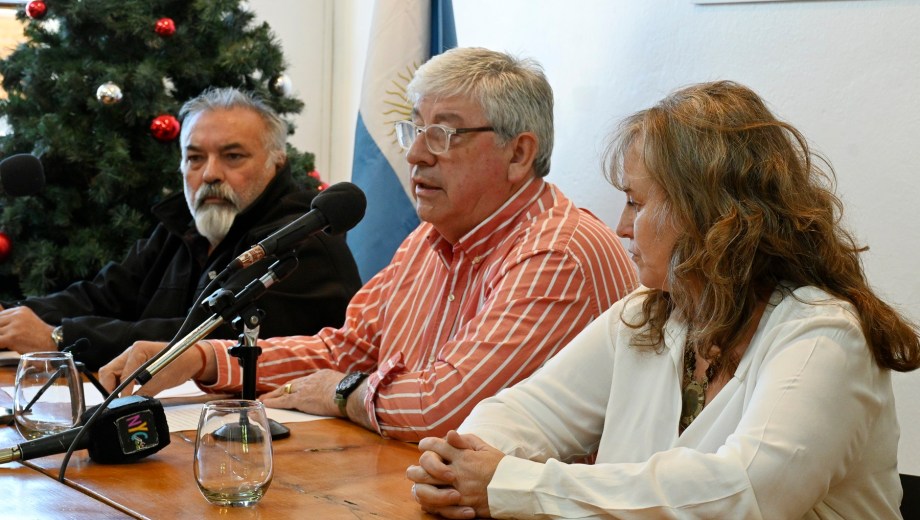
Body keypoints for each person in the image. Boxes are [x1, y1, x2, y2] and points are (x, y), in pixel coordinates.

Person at [408, 80, 920, 519]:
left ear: (713, 216)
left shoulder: (823, 334)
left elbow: (741, 496)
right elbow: (522, 413)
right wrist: (461, 466)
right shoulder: (646, 314)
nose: (622, 226)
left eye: (636, 202)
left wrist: (516, 485)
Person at [98, 47, 638, 441]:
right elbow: (345, 348)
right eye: (414, 129)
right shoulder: (428, 241)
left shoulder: (557, 251)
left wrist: (341, 392)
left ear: (520, 154)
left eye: (444, 134)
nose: (417, 155)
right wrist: (202, 359)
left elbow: (446, 410)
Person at [0, 87, 362, 371]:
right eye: (195, 158)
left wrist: (61, 337)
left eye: (233, 156)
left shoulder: (301, 241)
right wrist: (12, 320)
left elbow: (208, 337)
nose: (210, 174)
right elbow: (103, 295)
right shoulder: (183, 226)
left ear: (276, 162)